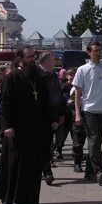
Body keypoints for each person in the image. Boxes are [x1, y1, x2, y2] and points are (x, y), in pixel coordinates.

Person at [0, 46, 51, 204]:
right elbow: (6, 104)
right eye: (29, 57)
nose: (33, 59)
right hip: (17, 128)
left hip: (35, 128)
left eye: (34, 56)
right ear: (20, 58)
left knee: (33, 164)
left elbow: (44, 100)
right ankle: (10, 198)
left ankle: (28, 199)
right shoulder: (13, 77)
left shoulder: (37, 76)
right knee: (15, 163)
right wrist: (7, 126)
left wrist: (51, 119)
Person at [72, 41, 102, 185]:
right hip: (89, 109)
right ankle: (99, 170)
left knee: (97, 141)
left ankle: (89, 172)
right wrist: (78, 114)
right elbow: (77, 94)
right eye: (95, 50)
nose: (97, 53)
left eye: (99, 50)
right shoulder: (83, 70)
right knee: (94, 139)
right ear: (89, 52)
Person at [39, 51, 67, 186]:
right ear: (45, 61)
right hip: (42, 116)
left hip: (54, 115)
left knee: (51, 144)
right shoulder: (38, 75)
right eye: (53, 60)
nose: (55, 62)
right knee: (44, 145)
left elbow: (58, 95)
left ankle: (44, 169)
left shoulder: (53, 76)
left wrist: (61, 113)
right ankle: (47, 172)